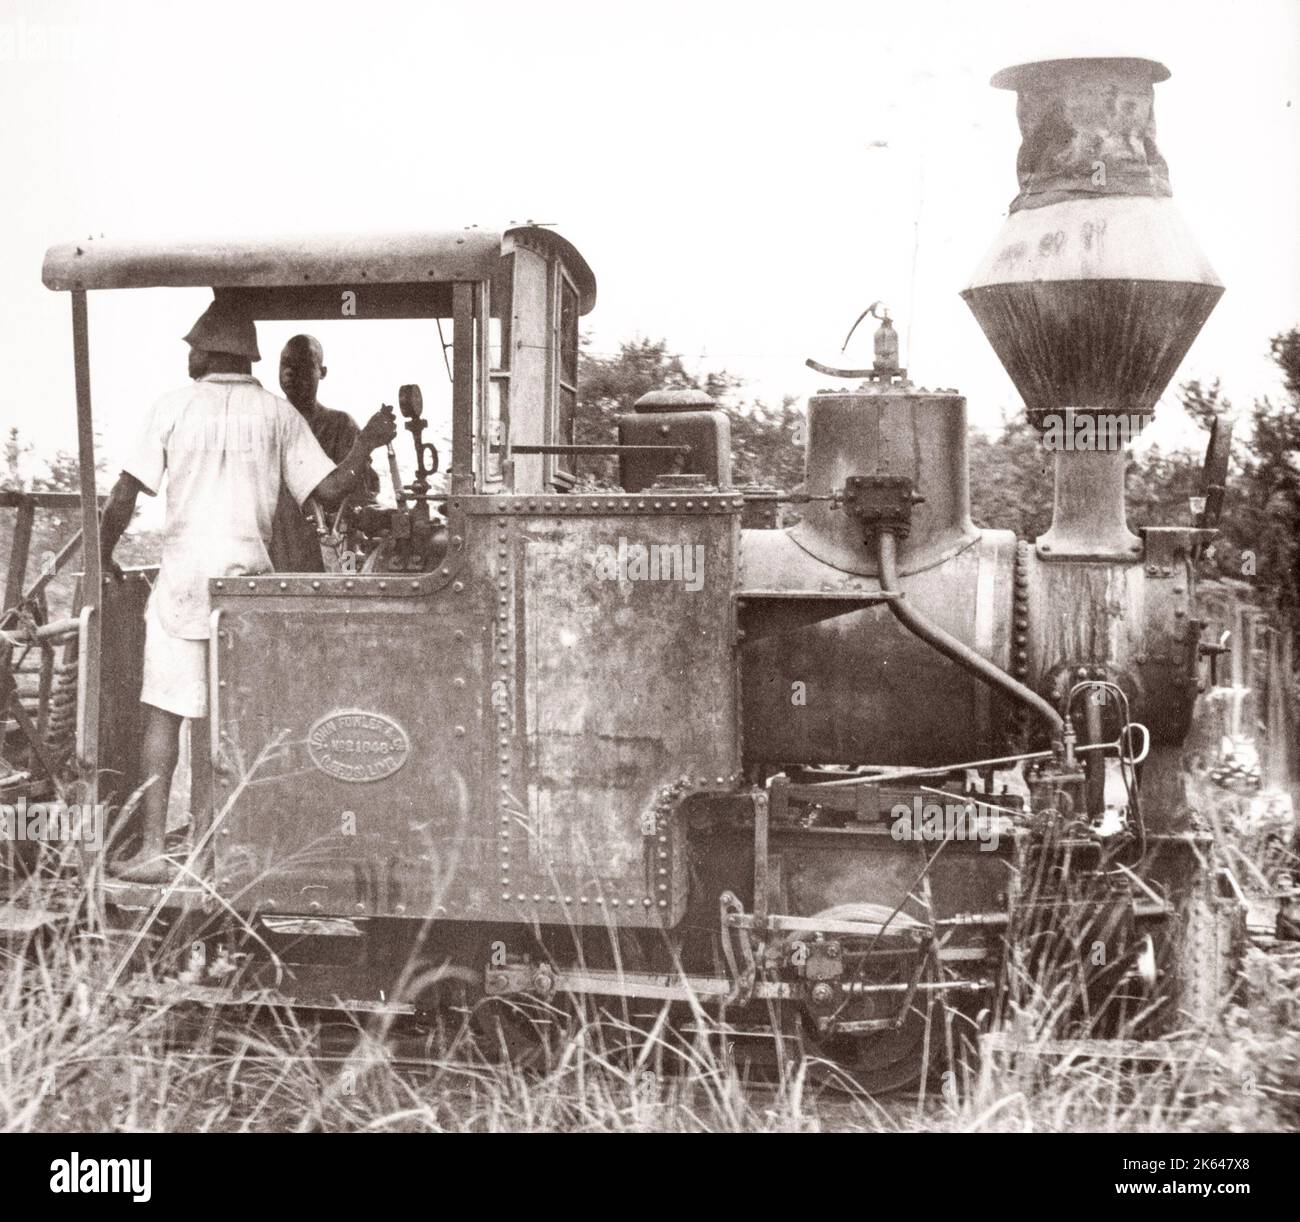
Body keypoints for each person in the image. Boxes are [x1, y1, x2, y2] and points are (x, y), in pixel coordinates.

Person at [98, 299, 397, 883]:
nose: (189, 355)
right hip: (248, 591)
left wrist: (104, 558)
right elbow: (332, 492)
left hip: (183, 585)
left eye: (193, 347)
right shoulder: (279, 418)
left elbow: (123, 497)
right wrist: (364, 447)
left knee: (163, 713)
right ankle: (212, 853)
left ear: (211, 351)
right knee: (224, 720)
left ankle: (157, 849)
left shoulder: (171, 407)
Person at [268, 334, 379, 571]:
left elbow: (361, 499)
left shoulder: (341, 425)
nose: (291, 372)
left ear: (322, 371)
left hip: (328, 554)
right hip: (273, 550)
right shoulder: (267, 424)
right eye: (285, 365)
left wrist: (349, 563)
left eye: (303, 366)